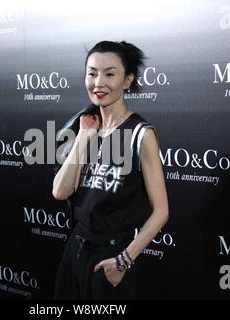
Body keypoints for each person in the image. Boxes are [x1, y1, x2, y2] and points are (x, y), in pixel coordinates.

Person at [52, 40, 169, 299]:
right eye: (92, 73)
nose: (98, 82)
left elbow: (161, 212)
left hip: (111, 259)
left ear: (127, 80)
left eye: (110, 74)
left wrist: (123, 261)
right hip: (74, 252)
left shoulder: (141, 134)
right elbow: (60, 192)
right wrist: (83, 137)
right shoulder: (84, 125)